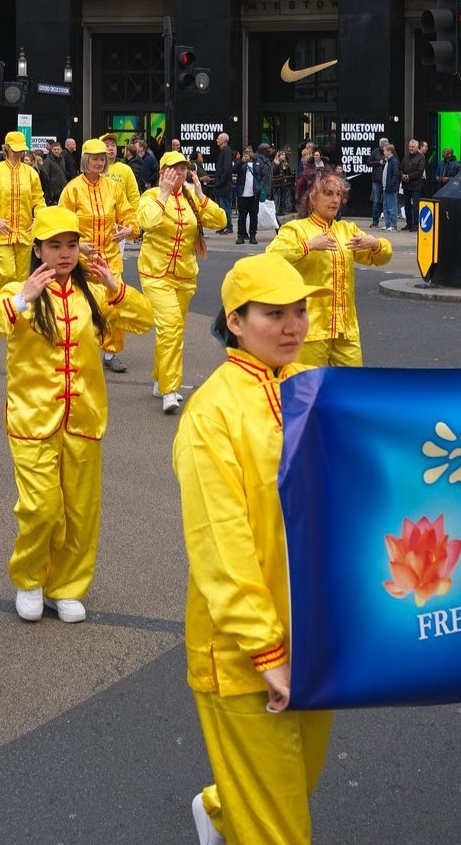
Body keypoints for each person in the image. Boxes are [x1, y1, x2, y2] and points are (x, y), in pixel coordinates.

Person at [174, 253, 334, 845]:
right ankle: (235, 811)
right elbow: (221, 544)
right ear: (235, 321)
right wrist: (268, 653)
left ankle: (222, 807)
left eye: (300, 311)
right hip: (245, 652)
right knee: (281, 831)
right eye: (274, 314)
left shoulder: (311, 389)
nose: (293, 325)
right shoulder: (211, 412)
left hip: (314, 633)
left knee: (294, 780)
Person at [0, 205, 154, 624]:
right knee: (41, 507)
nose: (65, 254)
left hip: (84, 417)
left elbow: (144, 321)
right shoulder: (21, 292)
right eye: (55, 246)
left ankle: (66, 586)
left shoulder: (93, 292)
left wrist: (116, 286)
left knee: (81, 509)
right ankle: (30, 578)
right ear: (38, 249)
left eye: (71, 245)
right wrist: (20, 300)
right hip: (32, 419)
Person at [267, 167, 392, 366]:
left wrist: (376, 244)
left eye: (338, 194)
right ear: (311, 198)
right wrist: (308, 246)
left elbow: (382, 257)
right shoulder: (297, 229)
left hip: (345, 329)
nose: (335, 200)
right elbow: (273, 256)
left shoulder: (346, 230)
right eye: (328, 193)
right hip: (310, 330)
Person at [138, 151, 227, 414]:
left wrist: (200, 194)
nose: (178, 174)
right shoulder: (151, 197)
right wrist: (163, 194)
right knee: (171, 327)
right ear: (162, 172)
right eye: (173, 169)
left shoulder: (191, 199)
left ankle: (159, 377)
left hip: (185, 276)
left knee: (172, 331)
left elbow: (220, 220)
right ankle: (170, 389)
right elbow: (146, 221)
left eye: (183, 169)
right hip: (155, 274)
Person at [58, 138, 140, 373]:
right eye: (95, 158)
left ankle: (111, 353)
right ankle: (78, 351)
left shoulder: (113, 187)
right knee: (79, 307)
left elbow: (128, 214)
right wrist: (77, 245)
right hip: (81, 261)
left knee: (114, 305)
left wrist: (129, 229)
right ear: (85, 160)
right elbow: (62, 224)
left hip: (110, 258)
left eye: (102, 158)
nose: (99, 162)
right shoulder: (72, 189)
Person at [0, 132, 44, 290]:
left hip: (24, 232)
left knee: (23, 277)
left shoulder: (31, 173)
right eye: (15, 150)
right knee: (6, 274)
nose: (19, 153)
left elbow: (38, 199)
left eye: (21, 150)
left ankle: (19, 311)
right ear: (6, 148)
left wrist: (38, 216)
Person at [212, 132, 236, 235]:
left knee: (225, 205)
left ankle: (228, 226)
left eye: (218, 138)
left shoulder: (226, 151)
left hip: (224, 184)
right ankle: (223, 225)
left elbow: (226, 168)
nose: (217, 140)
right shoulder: (224, 151)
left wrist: (220, 181)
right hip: (222, 183)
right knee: (222, 206)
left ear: (224, 140)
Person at [401, 139, 426, 224]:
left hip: (416, 186)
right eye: (410, 147)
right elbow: (401, 167)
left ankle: (416, 224)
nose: (411, 148)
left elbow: (419, 172)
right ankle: (409, 223)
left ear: (417, 147)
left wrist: (408, 176)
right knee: (407, 206)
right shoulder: (406, 156)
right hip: (406, 185)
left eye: (413, 147)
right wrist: (402, 175)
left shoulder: (421, 157)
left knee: (415, 205)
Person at [380, 143, 401, 232]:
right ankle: (387, 223)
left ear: (389, 151)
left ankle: (393, 224)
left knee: (392, 207)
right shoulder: (388, 161)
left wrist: (391, 184)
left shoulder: (394, 161)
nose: (383, 152)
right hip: (386, 187)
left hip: (390, 188)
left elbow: (395, 174)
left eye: (385, 151)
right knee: (386, 206)